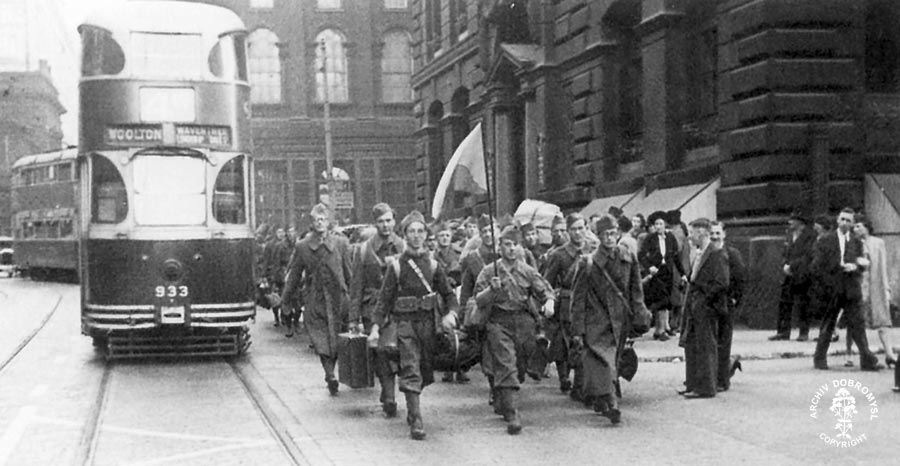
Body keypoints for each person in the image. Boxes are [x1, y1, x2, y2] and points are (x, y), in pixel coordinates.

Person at [367, 210, 459, 440]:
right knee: (410, 367)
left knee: (425, 369)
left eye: (420, 231)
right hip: (405, 324)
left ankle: (413, 405)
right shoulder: (397, 267)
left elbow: (450, 296)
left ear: (426, 235)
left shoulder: (435, 266)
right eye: (411, 231)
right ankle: (416, 417)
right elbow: (384, 300)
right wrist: (376, 328)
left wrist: (452, 314)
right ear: (405, 235)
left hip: (428, 324)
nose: (416, 236)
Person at [474, 225, 556, 435]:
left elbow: (544, 289)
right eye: (507, 245)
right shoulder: (489, 271)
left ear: (520, 247)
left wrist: (549, 302)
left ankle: (503, 394)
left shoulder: (526, 270)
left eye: (515, 245)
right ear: (500, 247)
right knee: (505, 362)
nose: (511, 249)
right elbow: (479, 300)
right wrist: (491, 289)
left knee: (520, 364)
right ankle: (512, 413)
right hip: (498, 323)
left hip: (524, 323)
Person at [570, 214, 649, 424]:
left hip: (620, 319)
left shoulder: (628, 256)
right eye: (605, 234)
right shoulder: (588, 262)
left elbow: (636, 288)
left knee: (612, 360)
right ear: (598, 236)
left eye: (613, 233)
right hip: (596, 319)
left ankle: (600, 399)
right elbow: (577, 299)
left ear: (618, 234)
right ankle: (612, 403)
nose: (609, 238)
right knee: (604, 362)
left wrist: (640, 313)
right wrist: (577, 329)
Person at [281, 204, 353, 395]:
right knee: (320, 339)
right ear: (311, 223)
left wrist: (354, 299)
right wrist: (285, 301)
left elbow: (349, 273)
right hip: (315, 299)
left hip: (339, 299)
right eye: (316, 219)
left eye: (323, 219)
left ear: (329, 222)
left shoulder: (341, 243)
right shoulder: (303, 246)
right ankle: (329, 374)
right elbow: (294, 275)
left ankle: (332, 371)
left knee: (337, 338)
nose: (320, 222)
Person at [348, 203, 405, 415]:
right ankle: (389, 395)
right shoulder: (364, 251)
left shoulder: (404, 247)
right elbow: (356, 287)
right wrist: (353, 319)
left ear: (395, 221)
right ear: (375, 224)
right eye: (381, 221)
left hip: (399, 307)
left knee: (398, 350)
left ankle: (389, 387)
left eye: (389, 220)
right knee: (382, 351)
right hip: (373, 308)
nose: (385, 225)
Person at [811, 208, 883, 371]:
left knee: (858, 324)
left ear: (852, 224)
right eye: (842, 219)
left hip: (851, 288)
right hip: (833, 288)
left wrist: (855, 267)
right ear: (837, 220)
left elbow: (862, 264)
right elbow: (817, 266)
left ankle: (866, 358)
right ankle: (819, 358)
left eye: (848, 221)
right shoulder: (825, 240)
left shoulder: (857, 242)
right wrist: (831, 278)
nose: (844, 223)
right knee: (828, 324)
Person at [542, 213, 593, 398]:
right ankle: (564, 378)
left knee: (584, 343)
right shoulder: (559, 255)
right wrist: (551, 297)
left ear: (586, 229)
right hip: (566, 303)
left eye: (581, 228)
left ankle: (579, 385)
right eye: (574, 229)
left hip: (589, 303)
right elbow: (546, 282)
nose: (578, 233)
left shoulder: (593, 250)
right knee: (564, 344)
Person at [679, 218, 729, 399]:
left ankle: (707, 387)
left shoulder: (716, 254)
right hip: (695, 305)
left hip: (706, 308)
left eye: (692, 232)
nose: (689, 236)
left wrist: (704, 299)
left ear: (701, 232)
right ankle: (692, 384)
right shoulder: (701, 253)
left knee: (706, 346)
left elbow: (722, 282)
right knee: (692, 345)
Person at [853, 214, 896, 368]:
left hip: (875, 285)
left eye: (859, 225)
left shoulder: (878, 243)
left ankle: (889, 354)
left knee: (883, 320)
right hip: (858, 285)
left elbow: (883, 266)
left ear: (866, 226)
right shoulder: (852, 243)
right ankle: (849, 354)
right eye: (855, 226)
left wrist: (886, 288)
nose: (856, 229)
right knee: (855, 321)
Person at [769, 213, 817, 341]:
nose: (790, 222)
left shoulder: (810, 236)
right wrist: (784, 264)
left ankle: (803, 332)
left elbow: (808, 255)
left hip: (803, 274)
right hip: (788, 274)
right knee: (784, 302)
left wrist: (792, 266)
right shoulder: (789, 235)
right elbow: (785, 252)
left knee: (803, 303)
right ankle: (783, 331)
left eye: (793, 220)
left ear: (801, 223)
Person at [639, 211, 686, 341]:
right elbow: (641, 255)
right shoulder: (650, 238)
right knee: (660, 299)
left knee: (666, 300)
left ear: (665, 224)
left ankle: (665, 327)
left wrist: (682, 274)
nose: (658, 226)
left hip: (668, 271)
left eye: (661, 223)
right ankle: (659, 330)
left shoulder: (670, 238)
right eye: (656, 224)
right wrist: (649, 266)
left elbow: (676, 257)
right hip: (656, 272)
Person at [709, 221, 745, 392]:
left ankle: (723, 380)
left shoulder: (732, 254)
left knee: (723, 342)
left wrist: (734, 299)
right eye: (712, 233)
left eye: (717, 233)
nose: (714, 237)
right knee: (711, 342)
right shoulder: (707, 252)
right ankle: (715, 375)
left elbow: (740, 278)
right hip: (709, 304)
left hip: (725, 303)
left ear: (724, 234)